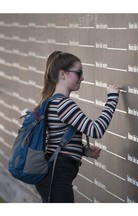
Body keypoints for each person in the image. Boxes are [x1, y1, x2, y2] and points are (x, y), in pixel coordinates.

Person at [34, 51, 120, 202]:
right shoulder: (63, 104)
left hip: (53, 175)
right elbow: (96, 130)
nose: (83, 78)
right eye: (79, 73)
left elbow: (56, 140)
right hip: (57, 177)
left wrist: (83, 150)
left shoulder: (52, 101)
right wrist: (112, 99)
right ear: (62, 74)